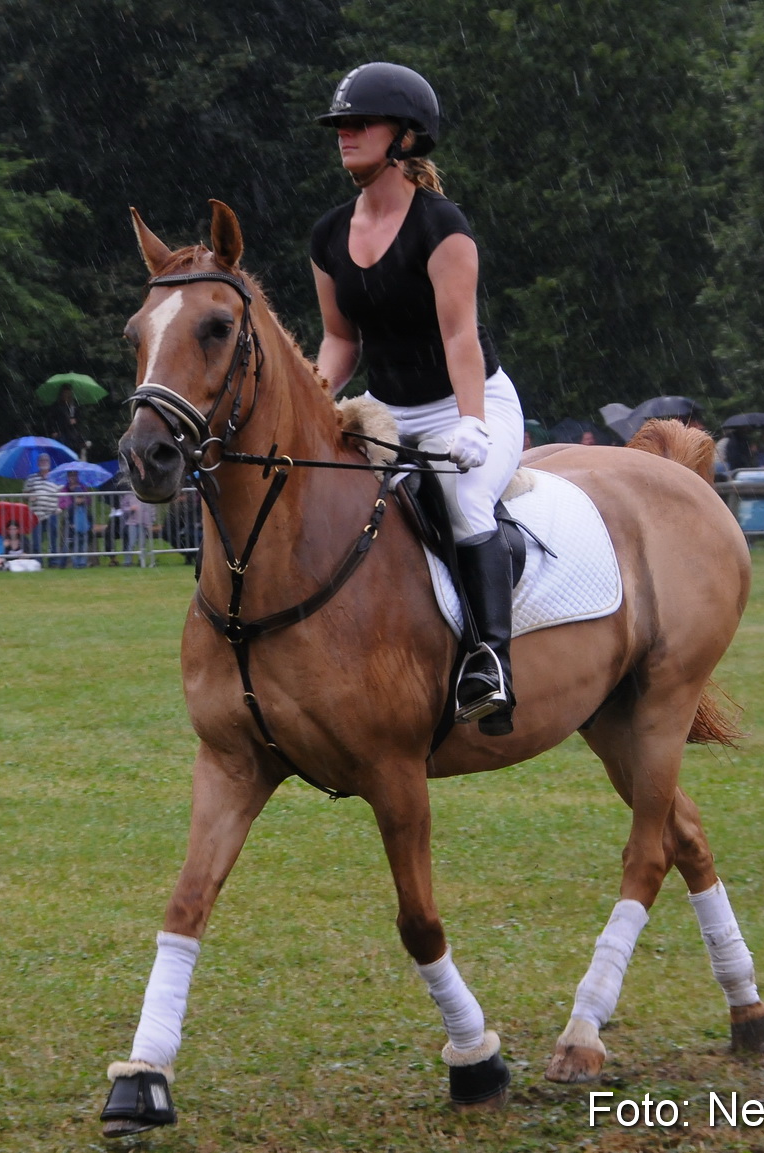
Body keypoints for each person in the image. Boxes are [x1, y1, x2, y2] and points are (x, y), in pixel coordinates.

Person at [310, 63, 525, 733]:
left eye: (359, 123)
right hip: (388, 411)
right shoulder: (327, 234)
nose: (344, 134)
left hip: (472, 400)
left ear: (404, 137)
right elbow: (339, 340)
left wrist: (471, 423)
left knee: (465, 504)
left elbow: (459, 336)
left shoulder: (441, 225)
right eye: (339, 125)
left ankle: (491, 661)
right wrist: (317, 404)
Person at [23, 452, 63, 562]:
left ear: (49, 463)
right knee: (36, 539)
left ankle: (53, 561)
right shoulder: (32, 478)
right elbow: (25, 493)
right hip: (36, 514)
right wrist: (29, 496)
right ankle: (37, 561)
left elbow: (63, 495)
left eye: (46, 460)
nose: (44, 462)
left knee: (53, 539)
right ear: (38, 463)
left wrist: (60, 507)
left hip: (52, 512)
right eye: (41, 460)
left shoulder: (56, 477)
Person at [120, 489, 157, 567]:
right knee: (131, 542)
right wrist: (130, 509)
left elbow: (152, 509)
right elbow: (123, 508)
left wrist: (152, 520)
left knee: (142, 543)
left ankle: (141, 560)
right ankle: (127, 561)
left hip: (144, 523)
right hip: (132, 522)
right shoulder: (129, 496)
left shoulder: (148, 496)